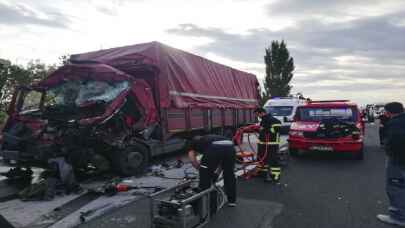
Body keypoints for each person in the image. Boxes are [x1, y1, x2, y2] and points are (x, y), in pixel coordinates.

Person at [187, 134, 237, 207]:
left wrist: (201, 169)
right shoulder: (208, 139)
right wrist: (216, 174)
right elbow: (221, 163)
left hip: (214, 147)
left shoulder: (192, 143)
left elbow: (192, 160)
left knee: (205, 175)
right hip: (230, 146)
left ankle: (206, 202)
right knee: (229, 174)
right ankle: (232, 201)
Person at [377, 102, 405, 227]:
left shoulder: (395, 123)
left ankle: (398, 217)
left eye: (385, 111)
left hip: (397, 161)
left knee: (395, 186)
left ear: (388, 112)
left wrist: (389, 151)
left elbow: (395, 144)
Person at [254, 107, 282, 183]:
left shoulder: (273, 119)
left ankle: (275, 176)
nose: (258, 116)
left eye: (257, 114)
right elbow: (262, 130)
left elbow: (277, 128)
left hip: (271, 144)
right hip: (263, 144)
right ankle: (262, 173)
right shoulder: (263, 120)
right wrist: (257, 129)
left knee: (273, 160)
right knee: (262, 159)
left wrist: (265, 130)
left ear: (262, 112)